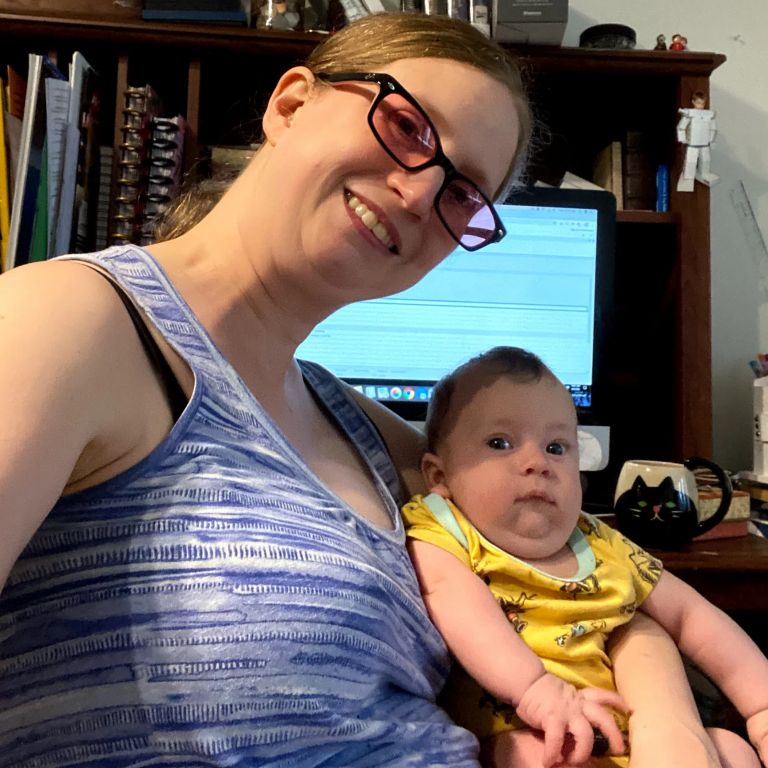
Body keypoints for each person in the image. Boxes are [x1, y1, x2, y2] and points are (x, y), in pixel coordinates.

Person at [0, 12, 736, 767]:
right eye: (408, 126)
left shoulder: (368, 432)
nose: (421, 194)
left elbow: (595, 594)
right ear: (290, 105)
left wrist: (668, 719)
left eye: (463, 194)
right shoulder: (72, 324)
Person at [403, 346, 768, 768]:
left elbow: (693, 617)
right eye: (500, 443)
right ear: (439, 476)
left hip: (631, 735)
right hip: (533, 726)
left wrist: (760, 708)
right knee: (526, 756)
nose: (536, 462)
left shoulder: (601, 541)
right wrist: (534, 689)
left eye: (557, 447)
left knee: (731, 747)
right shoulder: (445, 529)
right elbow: (454, 601)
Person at [676, 89, 719, 192]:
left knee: (706, 160)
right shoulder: (690, 114)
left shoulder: (709, 115)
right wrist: (682, 139)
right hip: (692, 144)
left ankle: (705, 173)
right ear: (693, 102)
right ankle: (689, 177)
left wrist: (711, 138)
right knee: (691, 161)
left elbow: (713, 128)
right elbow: (681, 127)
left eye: (703, 103)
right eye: (698, 103)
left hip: (704, 143)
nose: (700, 106)